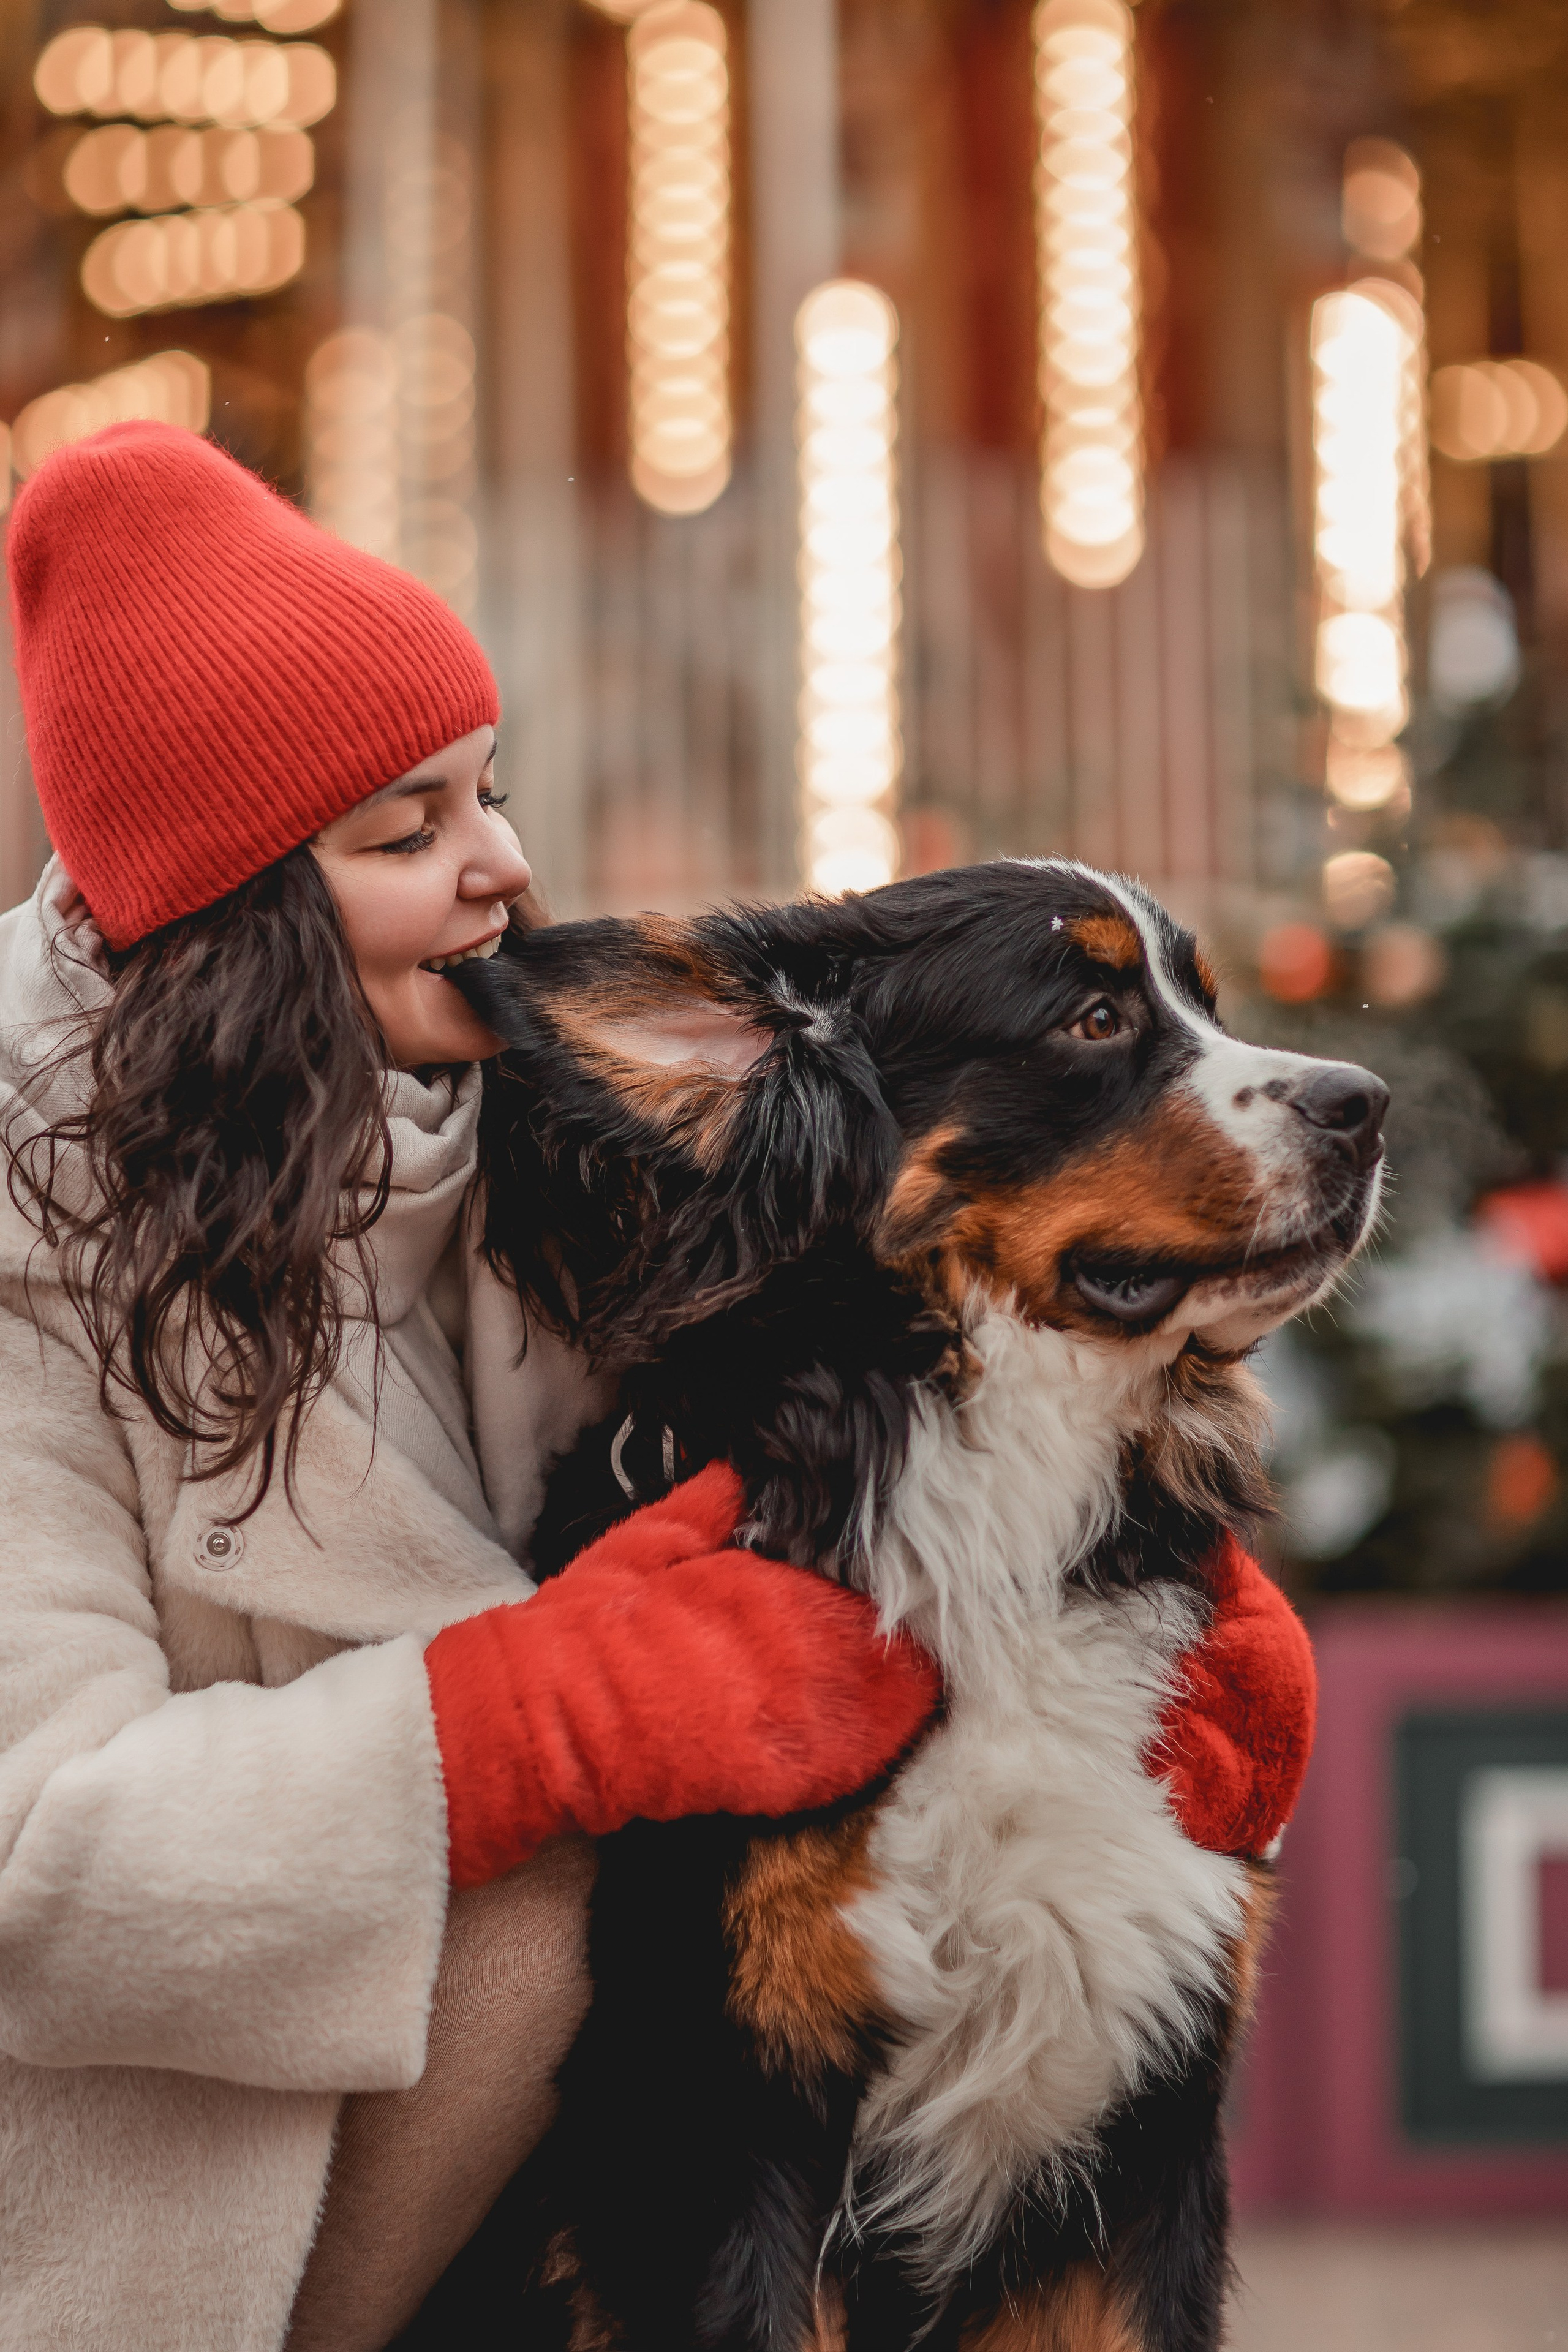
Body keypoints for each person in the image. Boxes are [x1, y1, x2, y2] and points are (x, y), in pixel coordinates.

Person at [0, 424, 1316, 2352]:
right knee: (588, 1900)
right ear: (236, 916)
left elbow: (908, 1381)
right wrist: (519, 1722)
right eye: (409, 833)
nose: (505, 866)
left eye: (490, 795)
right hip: (208, 2194)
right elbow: (36, 1865)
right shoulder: (25, 1256)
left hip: (543, 2126)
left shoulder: (546, 1137)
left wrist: (1160, 1603)